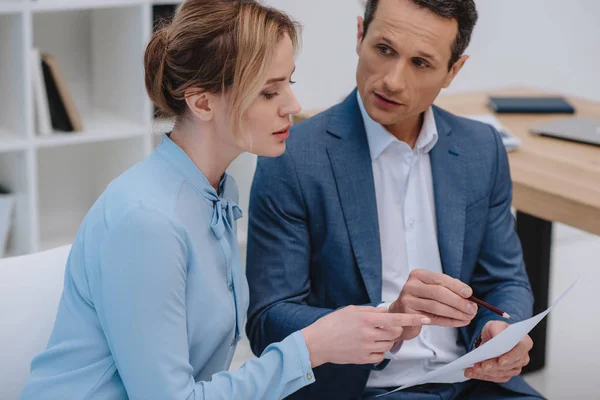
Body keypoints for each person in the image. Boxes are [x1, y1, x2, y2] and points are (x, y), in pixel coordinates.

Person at [19, 1, 430, 399]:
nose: (293, 106)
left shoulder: (213, 194)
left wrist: (377, 324)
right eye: (269, 92)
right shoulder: (148, 222)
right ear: (201, 102)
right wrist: (310, 347)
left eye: (289, 83)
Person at [245, 0, 545, 399]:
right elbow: (268, 322)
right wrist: (390, 319)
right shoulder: (294, 157)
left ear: (453, 71)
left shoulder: (481, 148)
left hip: (473, 383)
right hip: (359, 389)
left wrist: (502, 332)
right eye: (384, 50)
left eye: (421, 63)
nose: (392, 80)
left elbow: (504, 280)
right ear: (359, 35)